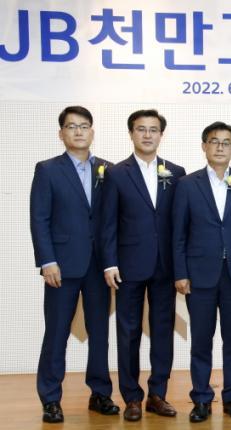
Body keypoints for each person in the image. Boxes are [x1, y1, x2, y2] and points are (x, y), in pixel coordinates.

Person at [30, 106, 119, 423]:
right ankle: (50, 398)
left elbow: (112, 220)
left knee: (100, 333)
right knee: (56, 333)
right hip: (62, 266)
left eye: (84, 126)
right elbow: (39, 219)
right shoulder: (47, 170)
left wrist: (113, 261)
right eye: (71, 126)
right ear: (61, 133)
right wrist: (47, 261)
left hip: (99, 267)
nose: (78, 131)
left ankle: (100, 393)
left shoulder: (109, 170)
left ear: (92, 132)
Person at [172, 122, 231, 423]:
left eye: (226, 142)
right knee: (201, 339)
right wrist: (180, 272)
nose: (220, 147)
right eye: (214, 141)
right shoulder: (187, 184)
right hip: (199, 274)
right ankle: (201, 398)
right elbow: (179, 233)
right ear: (204, 146)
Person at [100, 109, 186, 421]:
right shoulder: (116, 173)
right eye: (141, 129)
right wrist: (109, 262)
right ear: (131, 133)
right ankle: (132, 398)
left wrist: (182, 267)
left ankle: (157, 395)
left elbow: (180, 223)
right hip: (128, 266)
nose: (147, 135)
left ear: (161, 134)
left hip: (165, 266)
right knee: (128, 332)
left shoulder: (176, 173)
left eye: (153, 129)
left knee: (163, 330)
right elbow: (107, 222)